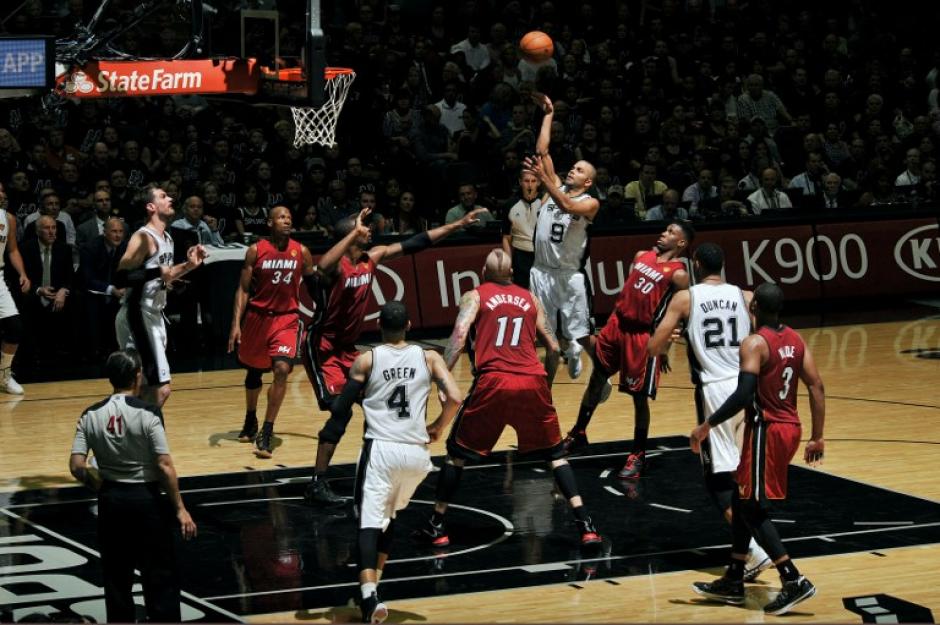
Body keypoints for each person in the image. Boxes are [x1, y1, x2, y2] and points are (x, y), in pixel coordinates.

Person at [415, 249, 602, 547]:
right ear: (512, 274)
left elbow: (459, 338)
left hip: (494, 382)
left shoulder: (475, 295)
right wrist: (545, 384)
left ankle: (436, 524)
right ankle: (586, 525)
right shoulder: (531, 298)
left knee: (456, 455)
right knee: (556, 456)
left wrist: (444, 377)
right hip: (532, 381)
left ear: (483, 273)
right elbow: (554, 348)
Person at [304, 207, 487, 506]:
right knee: (341, 411)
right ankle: (317, 482)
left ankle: (377, 465)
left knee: (376, 404)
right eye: (363, 227)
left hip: (347, 349)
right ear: (350, 234)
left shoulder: (372, 258)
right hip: (322, 347)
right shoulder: (336, 267)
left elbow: (417, 242)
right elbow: (322, 267)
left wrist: (456, 224)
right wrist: (353, 231)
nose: (369, 230)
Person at [317, 301, 462, 623]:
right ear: (409, 325)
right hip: (416, 455)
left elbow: (340, 408)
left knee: (368, 522)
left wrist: (334, 409)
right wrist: (439, 426)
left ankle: (369, 597)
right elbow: (455, 397)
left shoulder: (367, 360)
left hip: (381, 449)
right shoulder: (430, 357)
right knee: (388, 516)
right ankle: (371, 592)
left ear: (379, 326)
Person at [689, 282, 825, 615]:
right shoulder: (796, 340)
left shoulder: (754, 343)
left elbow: (743, 395)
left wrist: (707, 425)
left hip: (768, 429)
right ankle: (734, 577)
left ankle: (792, 578)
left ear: (753, 309)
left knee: (751, 507)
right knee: (740, 498)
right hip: (790, 428)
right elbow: (816, 385)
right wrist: (817, 436)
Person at [647, 242, 772, 581]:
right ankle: (750, 552)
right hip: (747, 387)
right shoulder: (745, 297)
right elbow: (766, 339)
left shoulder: (685, 299)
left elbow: (652, 347)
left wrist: (672, 338)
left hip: (714, 392)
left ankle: (755, 551)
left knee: (718, 480)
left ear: (697, 264)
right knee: (742, 474)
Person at [69, 350, 197, 623]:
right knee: (159, 576)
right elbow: (164, 465)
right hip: (146, 501)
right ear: (137, 376)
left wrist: (101, 486)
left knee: (116, 578)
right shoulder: (149, 413)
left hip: (111, 501)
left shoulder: (90, 414)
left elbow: (77, 466)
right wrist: (180, 508)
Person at [562, 222, 694, 479]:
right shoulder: (642, 255)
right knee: (597, 378)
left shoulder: (679, 275)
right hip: (617, 325)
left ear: (681, 243)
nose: (663, 233)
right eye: (665, 230)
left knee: (638, 398)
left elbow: (677, 312)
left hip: (642, 336)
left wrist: (664, 345)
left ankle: (638, 454)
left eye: (671, 232)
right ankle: (579, 432)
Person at [228, 205, 336, 458]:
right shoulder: (256, 251)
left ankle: (266, 431)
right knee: (254, 372)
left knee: (282, 369)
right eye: (281, 217)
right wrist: (235, 324)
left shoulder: (302, 251)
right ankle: (251, 418)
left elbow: (313, 286)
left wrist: (326, 312)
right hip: (257, 318)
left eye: (289, 217)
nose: (287, 220)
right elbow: (243, 289)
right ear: (270, 223)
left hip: (287, 319)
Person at [524, 92, 601, 382]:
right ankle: (547, 379)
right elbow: (542, 151)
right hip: (541, 271)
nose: (573, 169)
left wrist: (545, 180)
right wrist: (548, 114)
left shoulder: (591, 203)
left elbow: (568, 206)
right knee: (543, 332)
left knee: (580, 332)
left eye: (579, 170)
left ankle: (593, 366)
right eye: (573, 166)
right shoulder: (555, 186)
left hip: (568, 275)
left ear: (588, 181)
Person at [115, 184, 208, 407]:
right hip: (137, 314)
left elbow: (166, 275)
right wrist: (157, 272)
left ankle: (126, 424)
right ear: (151, 207)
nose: (170, 199)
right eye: (163, 196)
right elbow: (120, 277)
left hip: (155, 315)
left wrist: (189, 265)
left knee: (141, 386)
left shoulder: (167, 238)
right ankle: (142, 427)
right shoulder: (143, 237)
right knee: (160, 389)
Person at [0, 184, 30, 394]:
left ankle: (3, 375)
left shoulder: (8, 218)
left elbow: (12, 250)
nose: (1, 193)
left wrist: (22, 273)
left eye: (3, 190)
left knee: (15, 327)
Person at [501, 168, 541, 290]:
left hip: (542, 255)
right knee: (523, 294)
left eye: (533, 181)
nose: (530, 185)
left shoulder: (545, 203)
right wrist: (508, 264)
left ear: (539, 182)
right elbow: (506, 238)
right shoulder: (510, 205)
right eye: (526, 181)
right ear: (520, 182)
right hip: (521, 257)